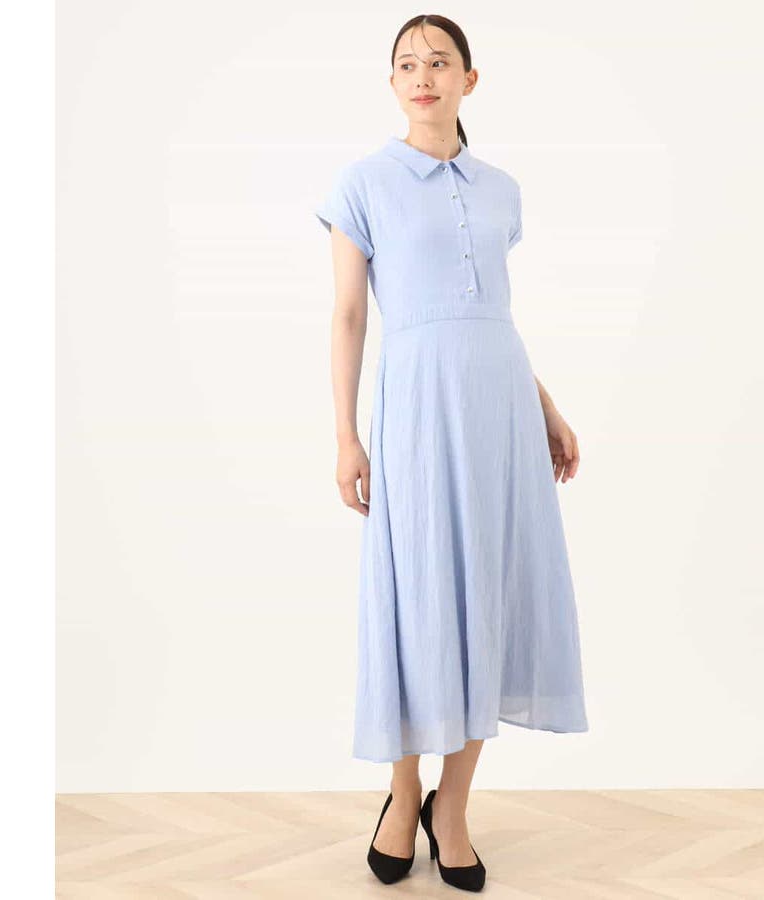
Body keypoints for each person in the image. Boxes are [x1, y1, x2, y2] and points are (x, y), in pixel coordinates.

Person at [315, 15, 589, 892]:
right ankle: (403, 796)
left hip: (498, 406)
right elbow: (349, 314)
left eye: (439, 62)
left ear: (470, 79)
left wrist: (546, 406)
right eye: (407, 63)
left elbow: (492, 315)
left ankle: (455, 807)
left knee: (489, 596)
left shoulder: (501, 190)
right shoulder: (364, 182)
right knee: (417, 598)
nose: (422, 75)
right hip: (415, 410)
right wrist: (346, 435)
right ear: (392, 82)